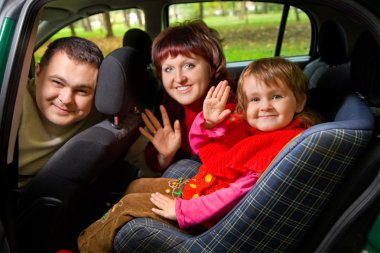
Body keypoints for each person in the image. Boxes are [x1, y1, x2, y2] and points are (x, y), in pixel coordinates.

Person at [77, 57, 321, 253]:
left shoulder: (278, 147)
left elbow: (234, 196)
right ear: (245, 105)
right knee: (137, 185)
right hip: (202, 189)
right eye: (255, 99)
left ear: (299, 102)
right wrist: (210, 124)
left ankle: (84, 247)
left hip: (209, 216)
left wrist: (182, 210)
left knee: (128, 206)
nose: (265, 105)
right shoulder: (252, 129)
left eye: (276, 96)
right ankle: (104, 232)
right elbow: (201, 148)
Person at [136, 20, 235, 177]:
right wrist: (166, 155)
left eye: (189, 65)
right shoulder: (167, 104)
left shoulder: (231, 107)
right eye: (168, 69)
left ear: (212, 66)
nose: (179, 78)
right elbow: (154, 161)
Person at [18, 36, 104, 188]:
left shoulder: (102, 114)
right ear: (37, 74)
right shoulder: (11, 103)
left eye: (82, 91)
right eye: (57, 82)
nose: (66, 99)